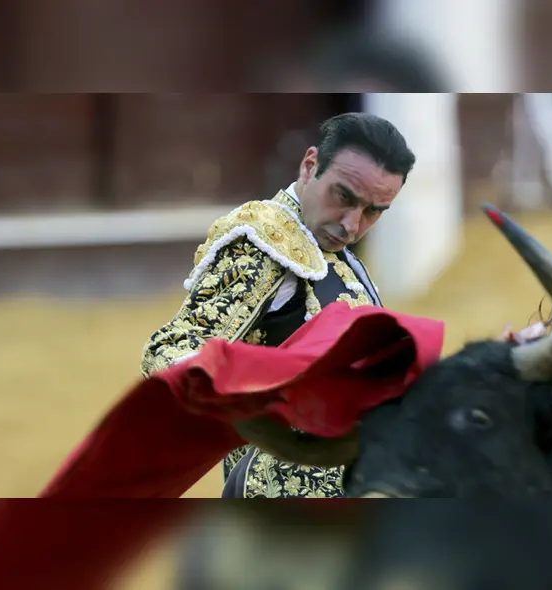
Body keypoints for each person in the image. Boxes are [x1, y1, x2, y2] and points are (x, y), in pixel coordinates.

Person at [141, 112, 416, 498]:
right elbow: (170, 349)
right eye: (344, 197)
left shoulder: (340, 256)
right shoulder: (265, 245)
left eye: (373, 211)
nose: (352, 225)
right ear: (310, 166)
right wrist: (252, 400)